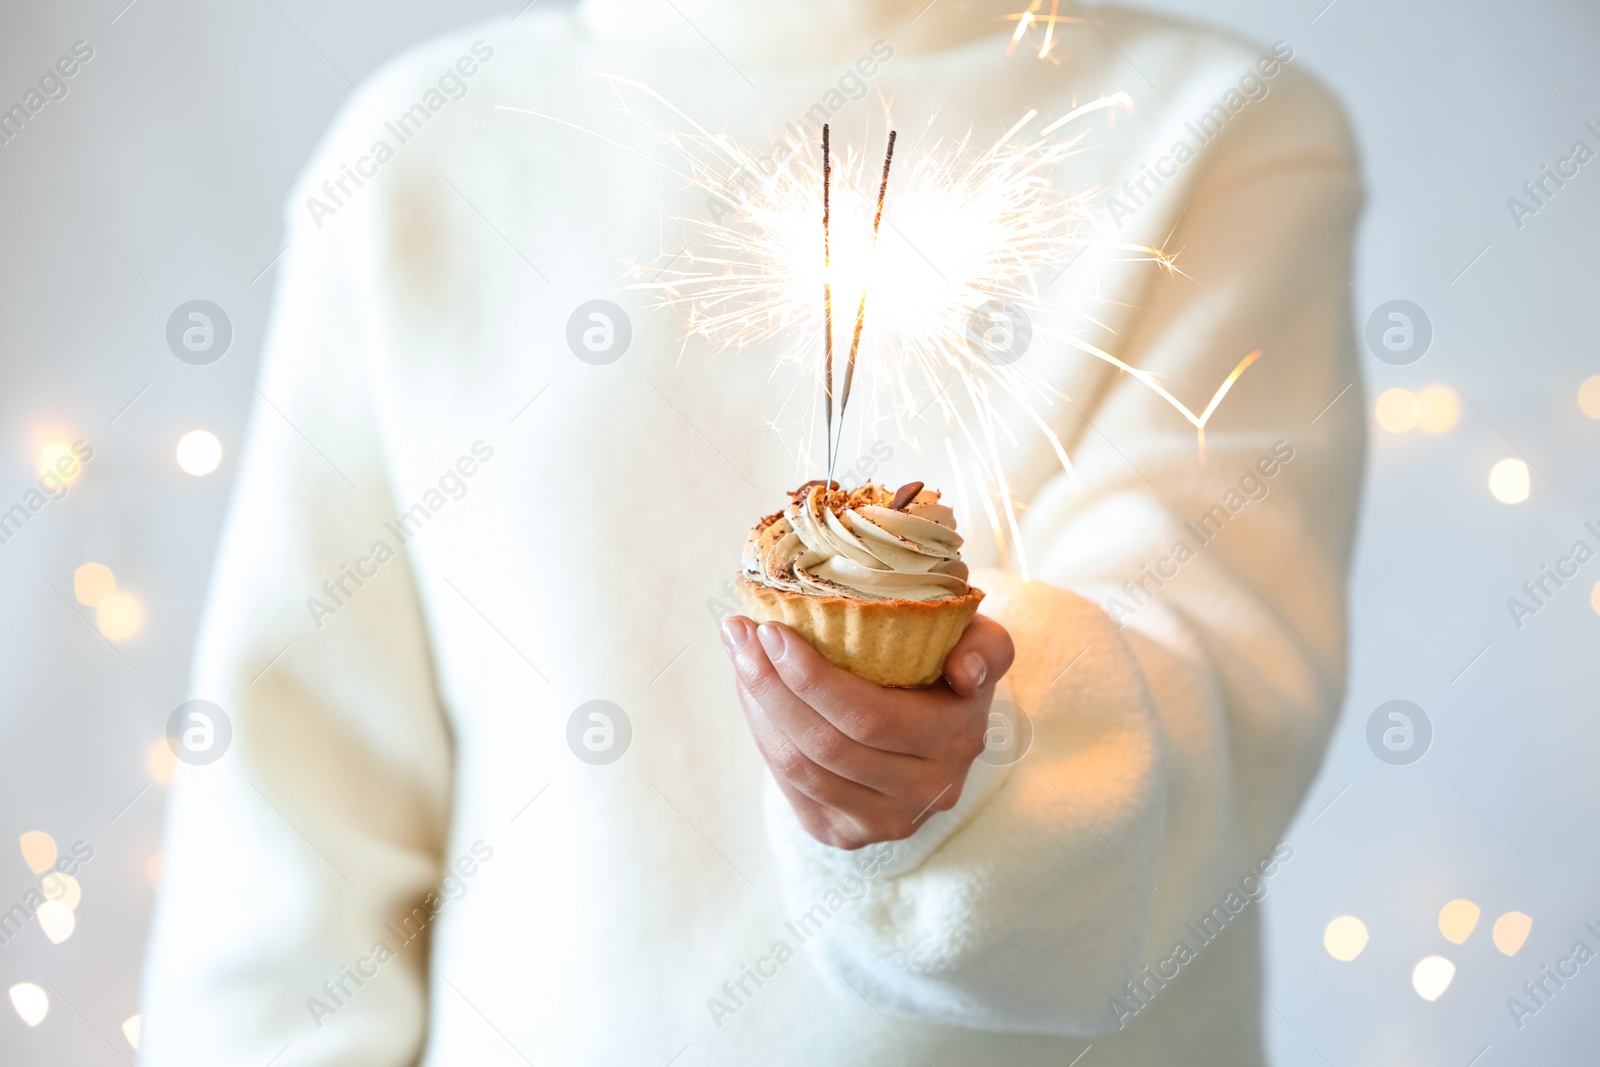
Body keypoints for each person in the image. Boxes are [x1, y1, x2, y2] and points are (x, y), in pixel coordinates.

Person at [140, 1, 1364, 1063]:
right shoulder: (421, 147)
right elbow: (289, 803)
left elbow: (1216, 699)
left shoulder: (1223, 129)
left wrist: (968, 758)